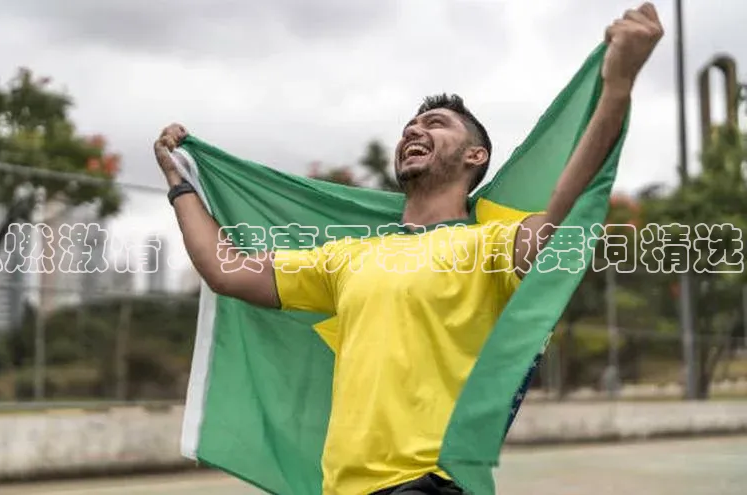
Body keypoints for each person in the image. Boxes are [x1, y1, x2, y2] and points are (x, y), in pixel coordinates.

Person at [153, 4, 663, 494]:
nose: (415, 130)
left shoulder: (489, 245)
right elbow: (226, 270)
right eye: (410, 128)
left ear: (476, 155)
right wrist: (181, 184)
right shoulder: (346, 257)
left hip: (431, 482)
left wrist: (616, 89)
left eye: (436, 124)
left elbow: (563, 214)